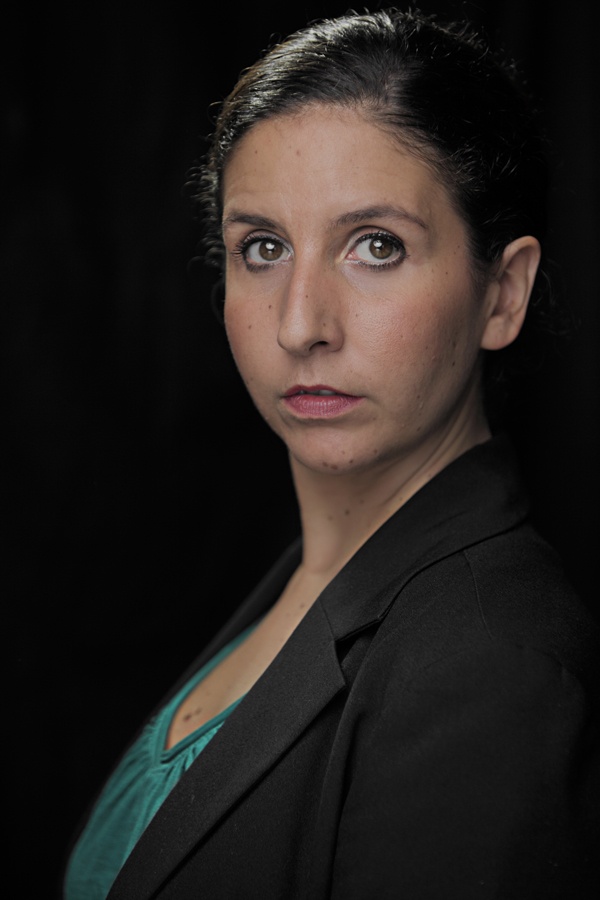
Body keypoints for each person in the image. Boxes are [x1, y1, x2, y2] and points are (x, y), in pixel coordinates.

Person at [64, 7, 600, 898]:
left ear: (503, 294)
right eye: (263, 247)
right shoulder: (311, 584)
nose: (301, 323)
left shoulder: (491, 669)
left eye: (376, 247)